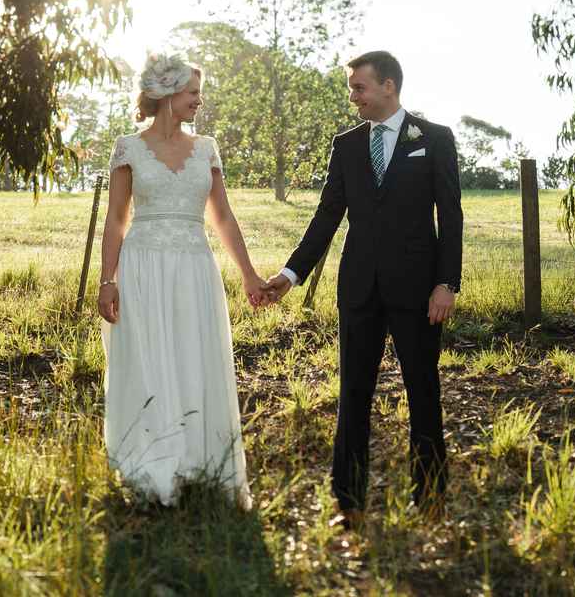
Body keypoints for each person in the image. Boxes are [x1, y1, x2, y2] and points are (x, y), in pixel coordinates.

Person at [262, 50, 463, 530]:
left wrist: (446, 283)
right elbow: (328, 215)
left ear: (388, 87)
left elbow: (450, 217)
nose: (353, 95)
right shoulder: (347, 145)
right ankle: (348, 502)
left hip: (419, 293)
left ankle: (431, 498)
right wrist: (290, 275)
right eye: (352, 87)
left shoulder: (433, 139)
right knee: (353, 393)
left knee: (423, 390)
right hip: (358, 291)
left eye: (359, 87)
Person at [96, 53, 266, 509]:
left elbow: (224, 217)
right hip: (143, 266)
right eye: (192, 92)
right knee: (150, 358)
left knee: (195, 356)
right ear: (168, 94)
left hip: (194, 267)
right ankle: (153, 468)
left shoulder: (207, 147)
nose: (199, 99)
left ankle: (200, 464)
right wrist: (106, 280)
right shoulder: (127, 147)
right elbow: (115, 219)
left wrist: (248, 274)